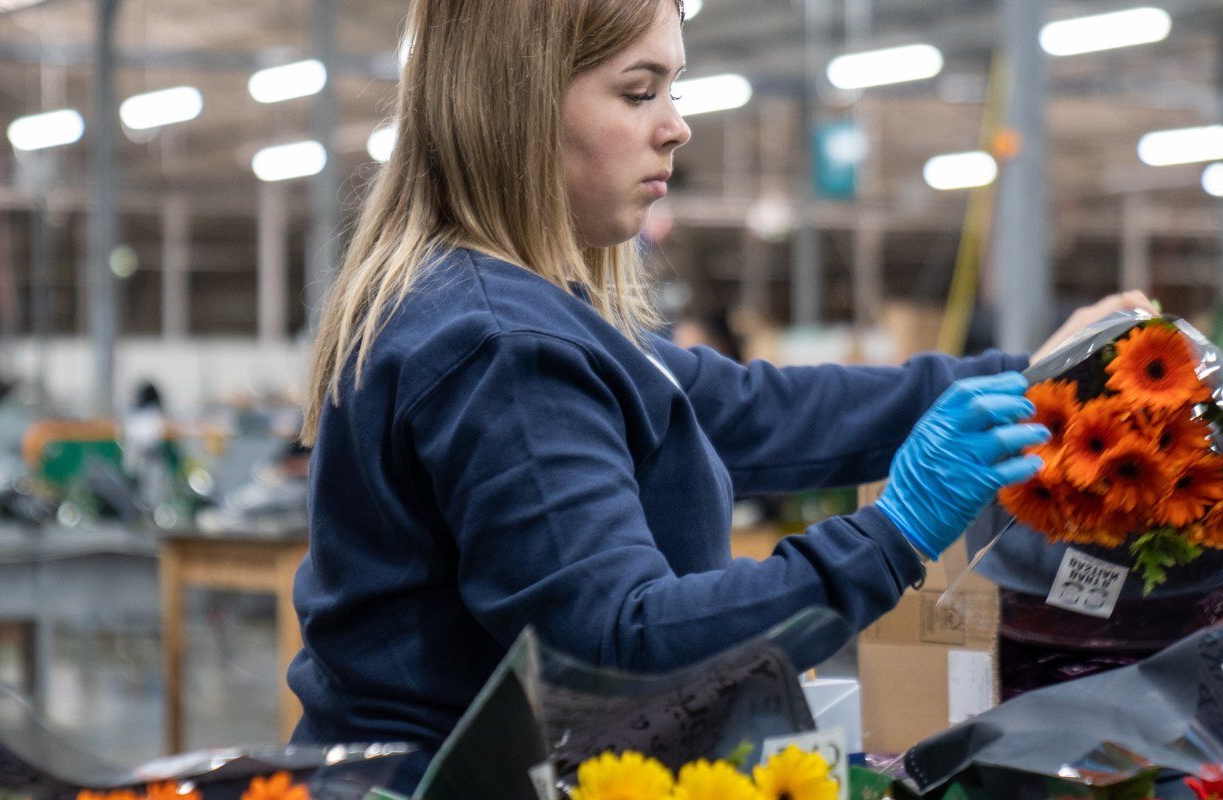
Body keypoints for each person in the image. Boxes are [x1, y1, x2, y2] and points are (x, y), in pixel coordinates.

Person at [288, 0, 1152, 788]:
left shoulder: (524, 312)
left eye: (674, 89)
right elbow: (623, 646)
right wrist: (892, 535)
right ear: (517, 107)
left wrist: (1033, 378)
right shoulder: (502, 347)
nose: (676, 126)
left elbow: (759, 411)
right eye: (638, 92)